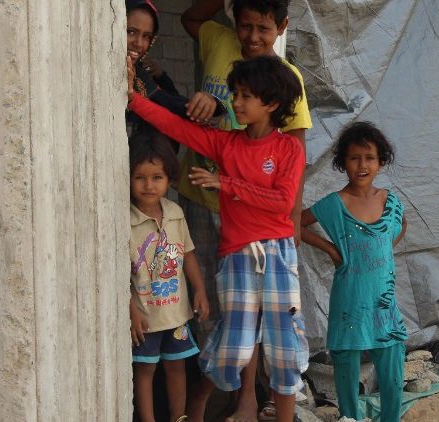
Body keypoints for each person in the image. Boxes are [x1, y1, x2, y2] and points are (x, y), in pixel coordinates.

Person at [127, 55, 309, 422]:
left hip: (279, 254)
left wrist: (226, 184)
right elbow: (176, 127)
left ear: (271, 104)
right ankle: (199, 400)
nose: (235, 103)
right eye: (235, 94)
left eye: (245, 96)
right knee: (235, 347)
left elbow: (281, 203)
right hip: (238, 256)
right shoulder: (227, 144)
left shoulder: (289, 149)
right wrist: (132, 97)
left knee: (284, 346)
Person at [180, 1, 312, 420]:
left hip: (256, 215)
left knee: (265, 318)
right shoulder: (219, 38)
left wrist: (290, 219)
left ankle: (247, 401)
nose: (253, 36)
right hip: (202, 196)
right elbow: (191, 18)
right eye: (246, 26)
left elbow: (296, 151)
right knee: (227, 315)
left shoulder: (286, 79)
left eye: (264, 28)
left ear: (282, 27)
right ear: (233, 22)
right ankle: (221, 394)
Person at [300, 122, 408, 422]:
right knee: (346, 363)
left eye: (369, 158)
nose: (362, 165)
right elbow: (295, 223)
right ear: (343, 162)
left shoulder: (390, 201)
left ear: (381, 161)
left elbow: (402, 224)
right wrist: (332, 250)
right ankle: (350, 417)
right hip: (349, 300)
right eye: (354, 158)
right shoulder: (335, 204)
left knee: (392, 366)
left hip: (383, 303)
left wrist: (385, 246)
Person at [128, 129, 211, 422]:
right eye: (140, 177)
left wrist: (199, 290)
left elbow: (187, 254)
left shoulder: (175, 212)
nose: (149, 185)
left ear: (169, 179)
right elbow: (118, 275)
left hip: (176, 313)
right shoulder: (125, 219)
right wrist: (130, 310)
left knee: (177, 367)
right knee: (145, 370)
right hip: (145, 318)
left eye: (157, 177)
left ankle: (179, 418)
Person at [126, 0, 220, 136]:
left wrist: (211, 105)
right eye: (131, 32)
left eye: (146, 36)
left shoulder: (140, 76)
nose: (139, 43)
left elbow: (171, 103)